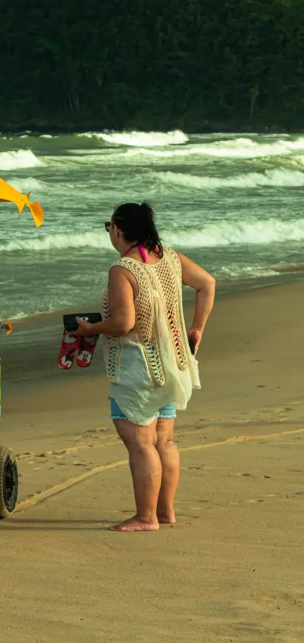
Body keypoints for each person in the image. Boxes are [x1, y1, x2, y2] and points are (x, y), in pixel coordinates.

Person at [76, 202, 215, 533]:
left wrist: (89, 329)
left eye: (108, 225)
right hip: (173, 364)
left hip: (138, 369)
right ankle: (165, 511)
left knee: (141, 444)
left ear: (118, 230)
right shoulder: (169, 257)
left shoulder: (123, 269)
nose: (109, 232)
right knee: (164, 442)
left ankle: (146, 516)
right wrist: (197, 329)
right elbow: (207, 283)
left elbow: (123, 323)